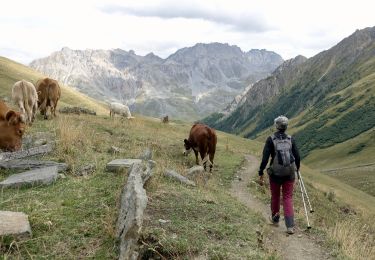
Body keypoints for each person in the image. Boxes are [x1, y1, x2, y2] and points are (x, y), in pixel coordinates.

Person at [258, 115, 300, 234]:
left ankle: (275, 218)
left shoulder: (271, 139)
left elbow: (265, 158)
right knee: (288, 197)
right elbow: (297, 156)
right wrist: (297, 169)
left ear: (276, 126)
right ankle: (290, 226)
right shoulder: (291, 139)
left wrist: (261, 171)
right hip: (289, 173)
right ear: (286, 127)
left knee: (275, 195)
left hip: (275, 173)